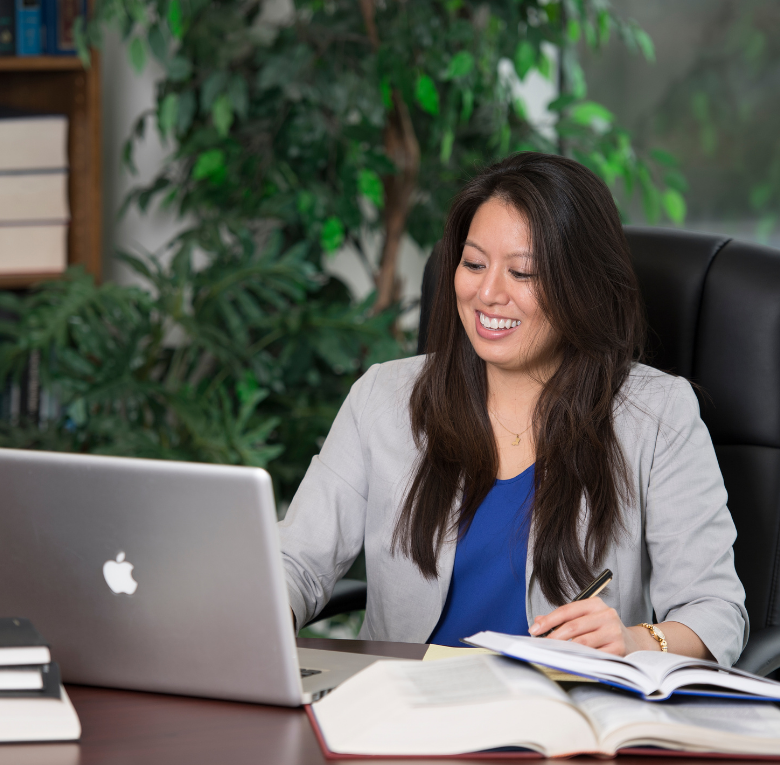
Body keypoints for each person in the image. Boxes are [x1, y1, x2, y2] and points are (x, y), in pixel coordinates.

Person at [279, 152, 749, 666]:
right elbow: (297, 563)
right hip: (401, 717)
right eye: (474, 264)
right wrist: (266, 610)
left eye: (522, 273)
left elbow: (717, 612)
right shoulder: (383, 398)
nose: (487, 293)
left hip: (561, 724)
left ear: (582, 286)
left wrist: (637, 641)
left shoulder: (657, 416)